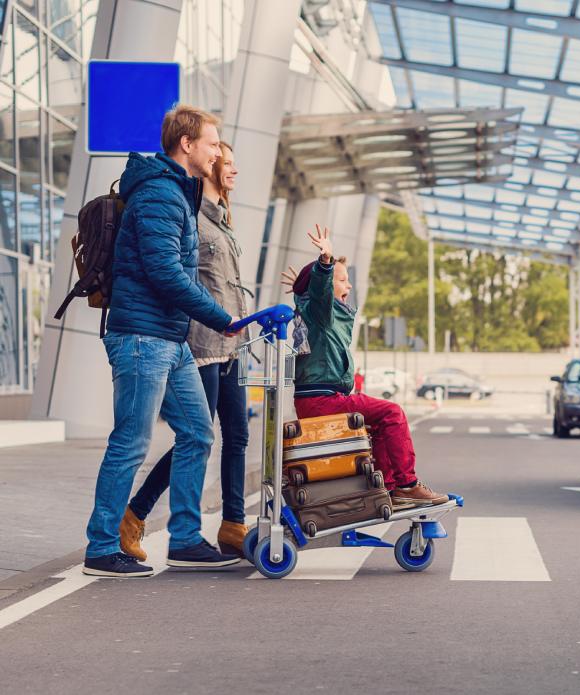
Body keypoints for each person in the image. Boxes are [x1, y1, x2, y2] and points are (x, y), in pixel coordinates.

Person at [82, 105, 242, 577]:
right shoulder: (158, 193)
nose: (217, 153)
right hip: (141, 337)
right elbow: (165, 272)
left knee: (197, 431)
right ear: (187, 144)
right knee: (130, 442)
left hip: (169, 339)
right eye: (212, 144)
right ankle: (101, 547)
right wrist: (220, 318)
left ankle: (187, 539)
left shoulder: (176, 192)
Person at [119, 141, 251, 561]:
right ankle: (136, 512)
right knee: (196, 436)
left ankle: (233, 523)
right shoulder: (191, 214)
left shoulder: (224, 220)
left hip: (233, 342)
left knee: (237, 434)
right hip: (202, 342)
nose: (229, 167)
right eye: (224, 160)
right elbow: (180, 278)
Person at [281, 226, 447, 509]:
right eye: (343, 280)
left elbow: (317, 291)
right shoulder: (321, 311)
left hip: (324, 398)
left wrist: (312, 279)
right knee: (392, 413)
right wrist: (325, 261)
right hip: (322, 400)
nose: (348, 287)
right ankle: (406, 485)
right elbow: (320, 290)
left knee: (382, 424)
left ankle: (391, 487)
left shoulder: (319, 312)